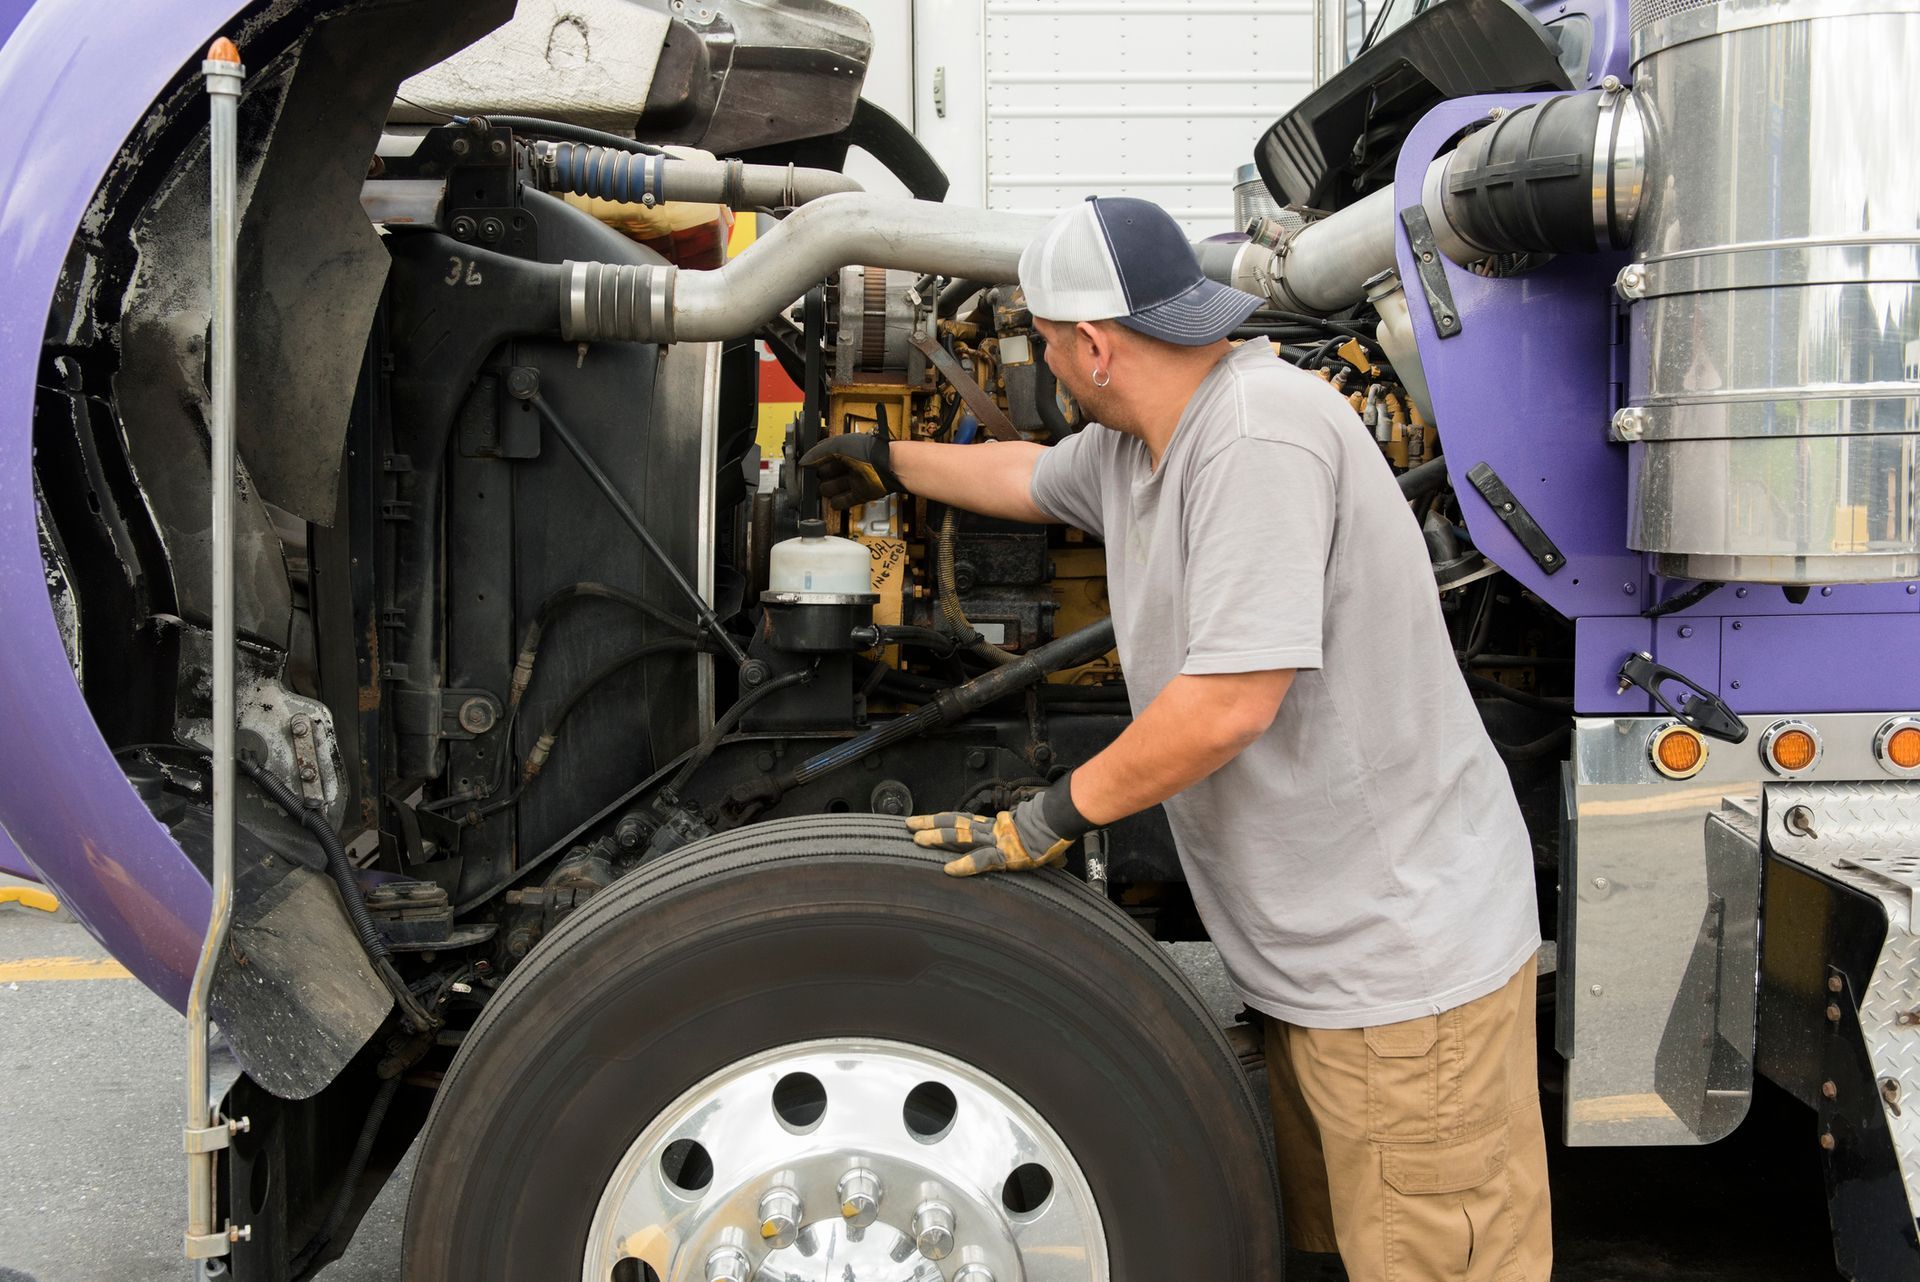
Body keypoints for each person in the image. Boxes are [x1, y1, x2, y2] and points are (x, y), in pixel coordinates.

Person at [801, 195, 1550, 1281]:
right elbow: (1024, 475)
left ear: (1095, 345)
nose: (1050, 367)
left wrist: (1046, 819)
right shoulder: (1143, 441)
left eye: (1052, 345)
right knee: (1345, 1249)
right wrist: (885, 457)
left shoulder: (1257, 437)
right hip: (1314, 965)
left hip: (1400, 973)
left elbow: (1228, 703)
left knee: (1438, 1263)